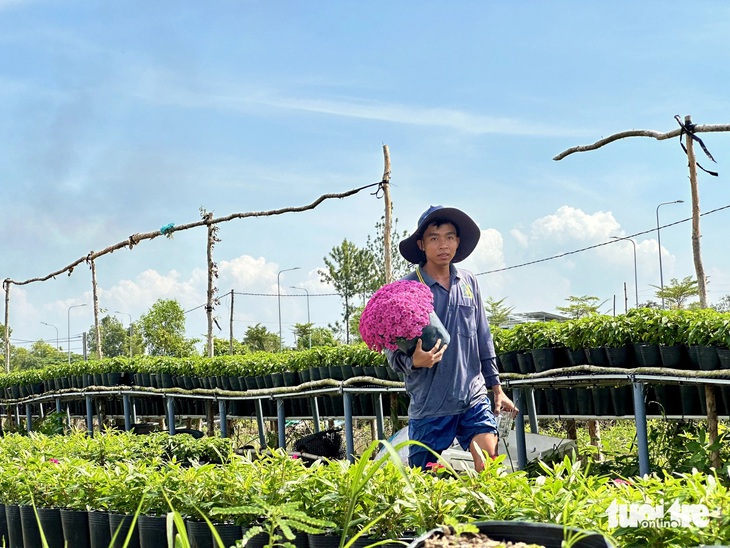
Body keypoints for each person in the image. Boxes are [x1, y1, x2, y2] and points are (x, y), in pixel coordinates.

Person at [386, 205, 518, 471]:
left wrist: (497, 388)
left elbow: (483, 335)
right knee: (424, 481)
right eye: (434, 238)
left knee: (490, 465)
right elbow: (391, 353)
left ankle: (490, 512)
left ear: (458, 242)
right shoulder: (406, 290)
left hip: (472, 394)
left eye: (449, 237)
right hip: (430, 404)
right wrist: (415, 361)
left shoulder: (469, 282)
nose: (442, 245)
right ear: (422, 244)